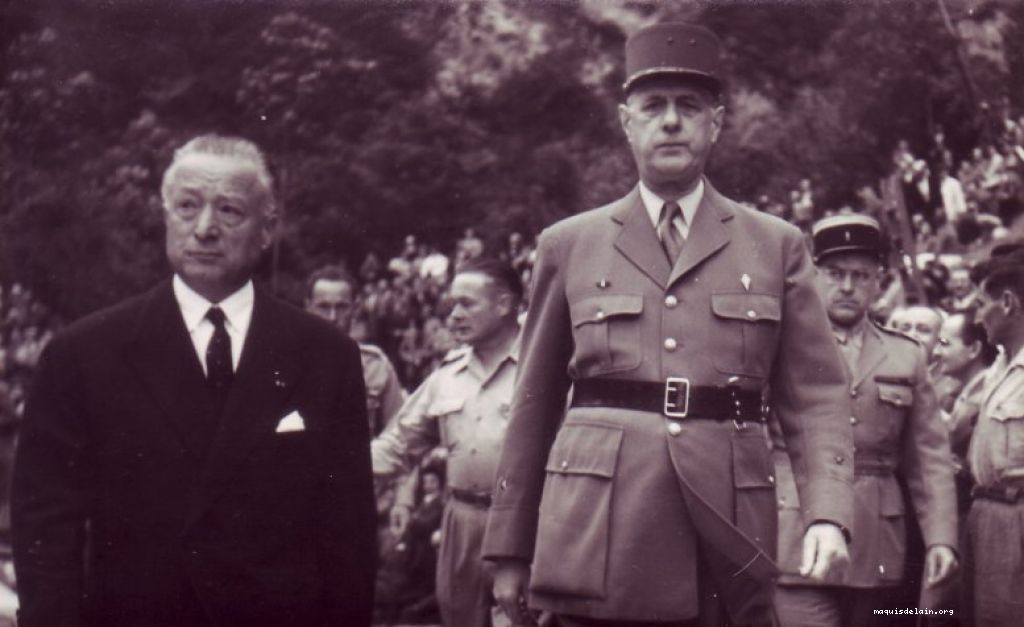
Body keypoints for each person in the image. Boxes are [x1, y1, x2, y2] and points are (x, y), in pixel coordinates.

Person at [483, 22, 855, 627]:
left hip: (723, 538)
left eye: (690, 106)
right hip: (596, 539)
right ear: (626, 123)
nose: (672, 122)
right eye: (654, 106)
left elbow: (816, 397)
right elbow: (533, 404)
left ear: (717, 122)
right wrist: (509, 548)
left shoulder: (775, 244)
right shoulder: (569, 244)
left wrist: (828, 514)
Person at [10, 135, 376, 626]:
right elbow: (46, 527)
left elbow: (349, 534)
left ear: (267, 230)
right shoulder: (82, 355)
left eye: (229, 210)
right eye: (187, 206)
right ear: (166, 217)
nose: (204, 229)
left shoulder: (327, 356)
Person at [772, 215, 958, 627]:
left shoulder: (905, 355)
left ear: (878, 282)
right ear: (813, 276)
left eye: (861, 275)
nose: (847, 286)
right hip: (796, 533)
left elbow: (929, 460)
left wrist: (942, 539)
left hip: (876, 544)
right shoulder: (779, 346)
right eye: (835, 273)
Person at [372, 258, 522, 627]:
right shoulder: (447, 375)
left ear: (504, 304)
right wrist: (324, 465)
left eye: (466, 304)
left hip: (521, 524)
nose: (453, 316)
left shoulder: (542, 368)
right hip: (460, 521)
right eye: (452, 305)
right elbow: (398, 445)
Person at [962, 249, 1024, 627]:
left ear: (1007, 302)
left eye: (981, 304)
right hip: (986, 514)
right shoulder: (1000, 364)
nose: (975, 317)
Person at [306, 264, 405, 436]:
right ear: (308, 307)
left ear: (354, 308)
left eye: (341, 307)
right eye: (323, 306)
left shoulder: (376, 367)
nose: (332, 317)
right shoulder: (285, 365)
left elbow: (397, 433)